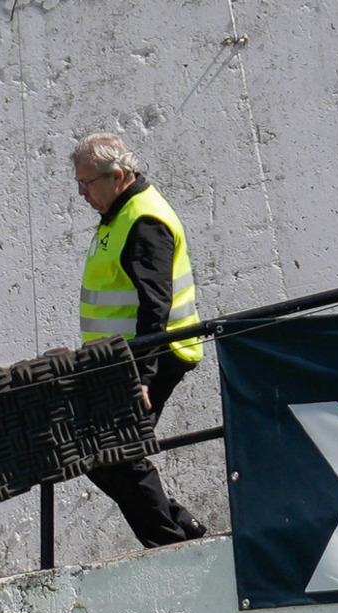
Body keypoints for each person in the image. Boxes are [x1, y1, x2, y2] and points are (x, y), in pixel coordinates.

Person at [71, 132, 206, 547]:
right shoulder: (119, 213)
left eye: (86, 183)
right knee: (97, 452)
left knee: (113, 453)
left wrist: (143, 375)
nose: (81, 193)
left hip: (155, 358)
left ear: (117, 176)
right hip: (121, 362)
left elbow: (155, 305)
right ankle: (179, 527)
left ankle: (172, 543)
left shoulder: (144, 220)